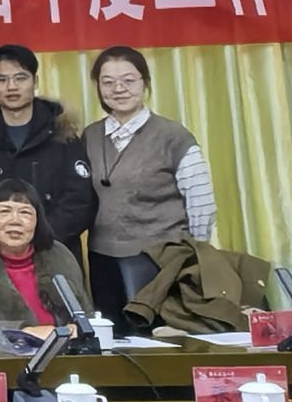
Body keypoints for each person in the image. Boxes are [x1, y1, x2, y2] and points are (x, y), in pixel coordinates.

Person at [83, 45, 216, 326]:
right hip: (102, 257)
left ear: (144, 83)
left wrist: (193, 253)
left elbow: (201, 201)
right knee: (113, 335)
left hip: (161, 257)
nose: (118, 89)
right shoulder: (90, 135)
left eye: (128, 80)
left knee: (158, 335)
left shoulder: (173, 135)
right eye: (108, 82)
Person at [0, 45, 96, 255]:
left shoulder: (63, 135)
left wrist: (39, 240)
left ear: (35, 81)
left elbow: (80, 199)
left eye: (20, 78)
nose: (12, 87)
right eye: (2, 79)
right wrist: (1, 242)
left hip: (56, 252)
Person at [0, 178, 90, 336]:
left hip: (63, 347)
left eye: (25, 212)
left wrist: (77, 329)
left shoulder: (60, 255)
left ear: (38, 220)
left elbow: (87, 315)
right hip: (1, 350)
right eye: (4, 211)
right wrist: (23, 332)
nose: (15, 221)